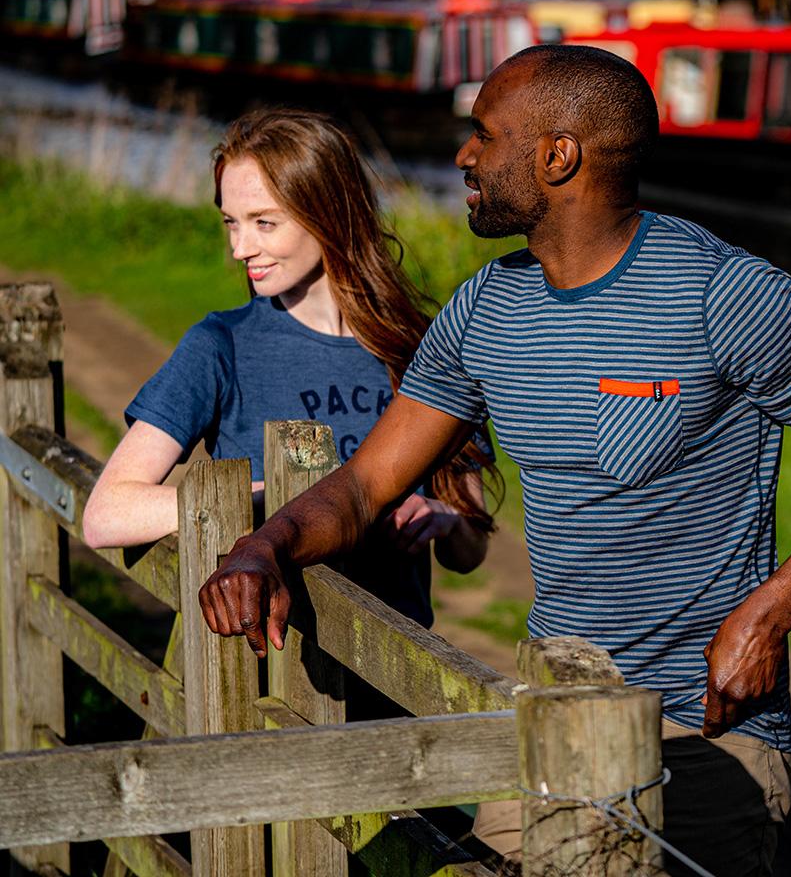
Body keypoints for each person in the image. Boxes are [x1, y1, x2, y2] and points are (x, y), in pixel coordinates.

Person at [197, 47, 791, 875]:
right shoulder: (485, 310)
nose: (463, 157)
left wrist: (769, 613)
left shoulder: (721, 294)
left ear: (558, 156)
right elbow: (369, 483)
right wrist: (264, 547)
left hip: (704, 737)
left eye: (484, 134)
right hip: (553, 709)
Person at [83, 108, 497, 630]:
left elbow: (470, 552)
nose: (240, 248)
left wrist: (441, 521)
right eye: (231, 223)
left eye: (264, 222)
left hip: (396, 675)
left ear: (329, 213)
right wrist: (285, 507)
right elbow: (107, 514)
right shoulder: (220, 347)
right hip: (269, 676)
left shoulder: (425, 348)